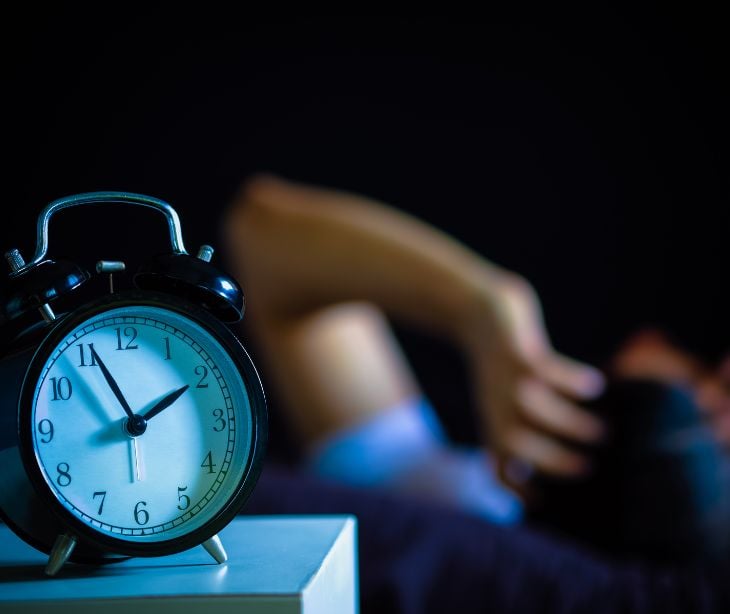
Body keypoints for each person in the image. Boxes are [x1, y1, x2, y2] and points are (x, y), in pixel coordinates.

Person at [223, 174, 730, 612]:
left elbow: (261, 235)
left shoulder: (471, 528)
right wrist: (485, 306)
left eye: (701, 379)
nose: (652, 339)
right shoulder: (434, 484)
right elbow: (262, 234)